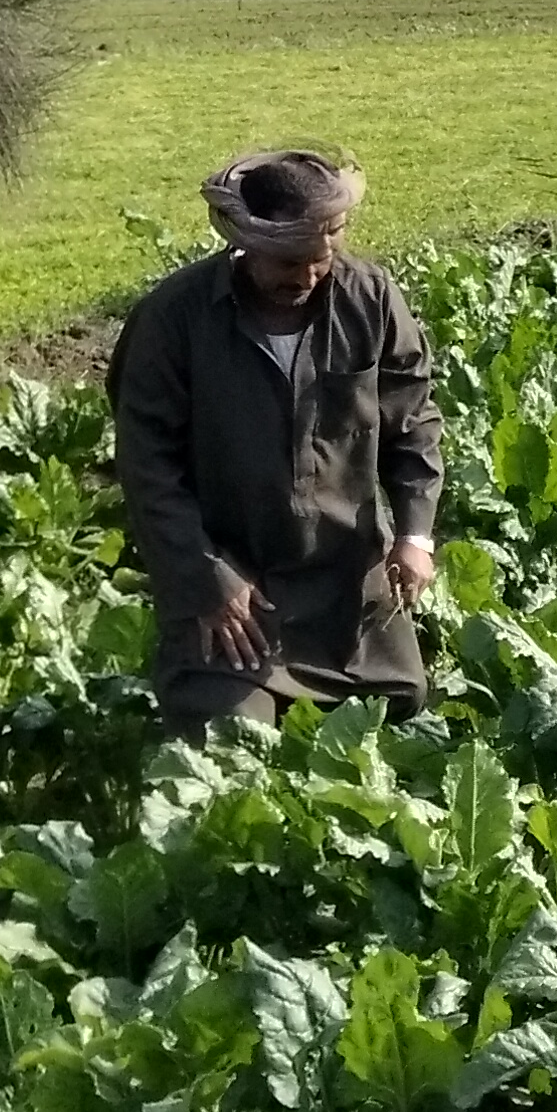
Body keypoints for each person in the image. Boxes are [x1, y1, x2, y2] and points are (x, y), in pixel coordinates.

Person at [110, 150, 443, 731]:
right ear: (246, 245)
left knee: (399, 708)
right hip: (237, 585)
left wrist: (415, 536)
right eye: (289, 262)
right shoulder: (174, 320)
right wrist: (205, 580)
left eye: (321, 260)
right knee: (232, 737)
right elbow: (148, 468)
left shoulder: (369, 298)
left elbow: (411, 417)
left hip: (345, 579)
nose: (307, 276)